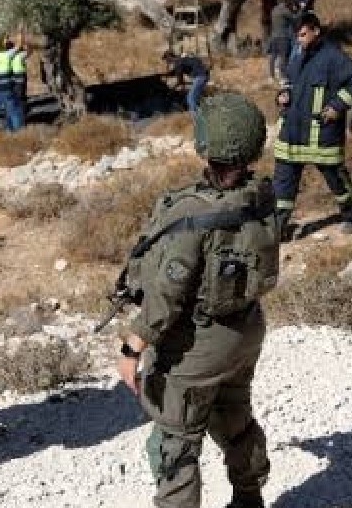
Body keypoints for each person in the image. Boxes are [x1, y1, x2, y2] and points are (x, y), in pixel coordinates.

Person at [117, 93, 276, 508]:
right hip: (245, 330)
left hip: (198, 346)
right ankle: (249, 497)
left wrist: (132, 345)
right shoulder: (261, 196)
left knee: (176, 444)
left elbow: (168, 294)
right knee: (235, 417)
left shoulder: (193, 214)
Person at [274, 13, 352, 236]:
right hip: (292, 134)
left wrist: (337, 106)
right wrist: (283, 95)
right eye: (297, 36)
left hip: (321, 133)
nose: (299, 40)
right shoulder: (297, 57)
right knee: (282, 185)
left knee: (336, 180)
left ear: (316, 31)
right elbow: (288, 83)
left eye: (303, 34)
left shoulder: (335, 58)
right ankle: (278, 228)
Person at [268, 0, 296, 83]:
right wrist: (299, 9)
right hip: (283, 37)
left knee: (273, 56)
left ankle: (271, 76)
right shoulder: (284, 10)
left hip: (273, 36)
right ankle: (283, 77)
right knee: (284, 56)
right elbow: (294, 18)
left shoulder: (274, 10)